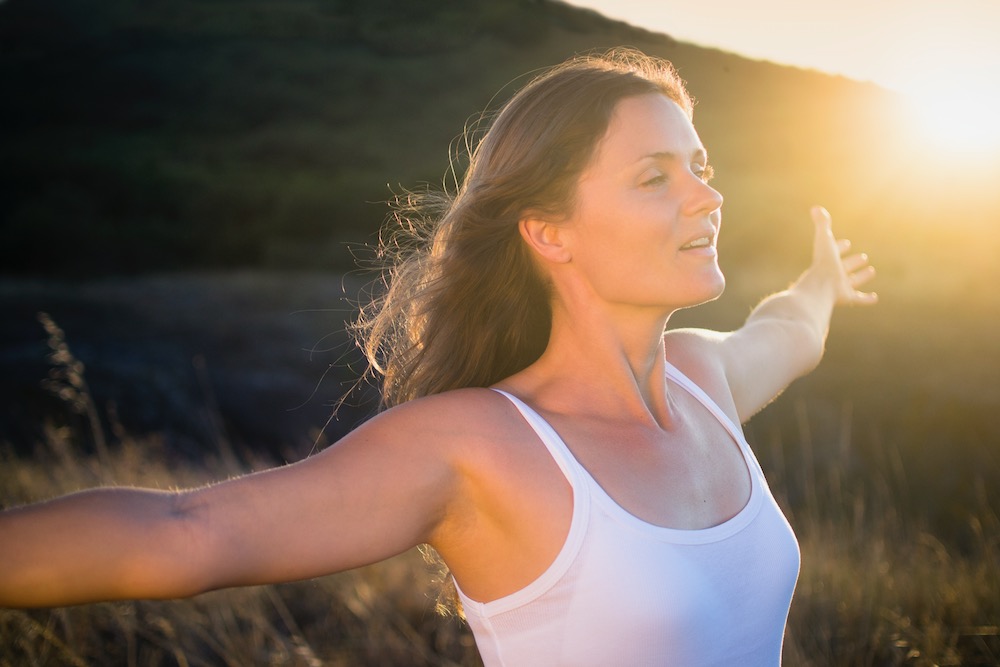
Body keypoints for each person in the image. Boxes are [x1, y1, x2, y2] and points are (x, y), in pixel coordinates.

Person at [0, 48, 876, 665]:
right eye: (657, 177)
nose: (707, 196)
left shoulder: (704, 378)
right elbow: (184, 534)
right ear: (548, 232)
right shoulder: (481, 444)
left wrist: (822, 286)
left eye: (701, 165)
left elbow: (788, 333)